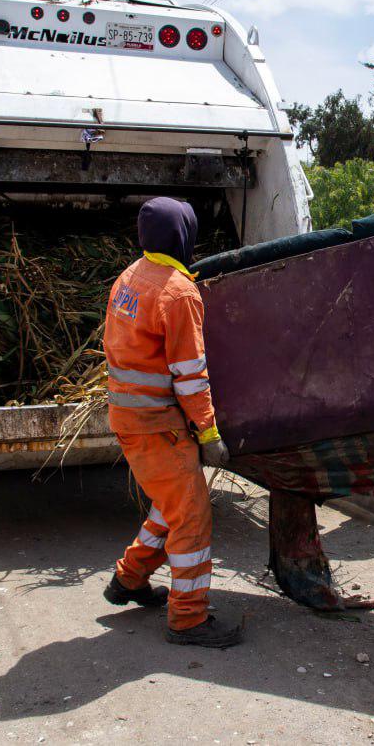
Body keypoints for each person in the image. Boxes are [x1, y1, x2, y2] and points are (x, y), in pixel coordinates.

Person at [100, 197, 241, 647]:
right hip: (159, 423)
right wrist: (209, 434)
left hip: (130, 417)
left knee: (171, 503)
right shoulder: (179, 294)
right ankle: (189, 619)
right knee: (192, 518)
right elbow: (190, 376)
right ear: (183, 235)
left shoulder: (130, 276)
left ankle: (129, 579)